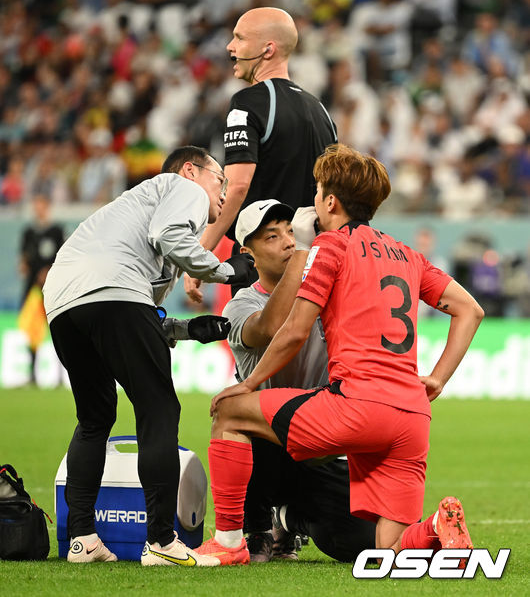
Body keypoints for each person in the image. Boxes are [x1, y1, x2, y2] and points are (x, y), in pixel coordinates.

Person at [193, 144, 484, 565]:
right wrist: (437, 378)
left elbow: (293, 332)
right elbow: (470, 309)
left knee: (231, 413)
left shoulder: (330, 247)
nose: (313, 200)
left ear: (330, 201)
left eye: (317, 192)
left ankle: (230, 542)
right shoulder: (408, 254)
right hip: (412, 416)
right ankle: (434, 528)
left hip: (355, 406)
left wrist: (248, 385)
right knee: (386, 553)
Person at [43, 145, 255, 566]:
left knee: (95, 417)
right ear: (192, 170)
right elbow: (166, 241)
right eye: (220, 179)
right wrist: (228, 271)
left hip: (62, 305)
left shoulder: (134, 211)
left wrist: (185, 329)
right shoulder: (182, 187)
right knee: (158, 409)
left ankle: (82, 539)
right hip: (113, 293)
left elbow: (141, 319)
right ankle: (160, 540)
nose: (224, 190)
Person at [224, 198, 375, 562]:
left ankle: (291, 520)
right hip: (268, 445)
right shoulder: (240, 305)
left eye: (292, 231)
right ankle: (255, 526)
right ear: (249, 254)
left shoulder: (331, 296)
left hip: (321, 444)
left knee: (362, 543)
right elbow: (273, 328)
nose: (289, 241)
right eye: (272, 236)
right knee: (234, 417)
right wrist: (306, 254)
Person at [185, 6, 337, 303]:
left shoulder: (247, 102)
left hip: (264, 266)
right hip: (313, 265)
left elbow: (238, 185)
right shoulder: (321, 110)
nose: (230, 47)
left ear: (268, 49)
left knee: (261, 348)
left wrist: (200, 256)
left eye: (239, 38)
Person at [19, 193, 64, 383]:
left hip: (52, 290)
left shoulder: (56, 231)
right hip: (33, 291)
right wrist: (23, 265)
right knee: (33, 331)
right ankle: (32, 375)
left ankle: (60, 375)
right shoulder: (28, 232)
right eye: (35, 205)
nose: (38, 209)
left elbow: (63, 257)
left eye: (41, 205)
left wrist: (49, 270)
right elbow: (23, 259)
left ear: (47, 207)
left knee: (58, 330)